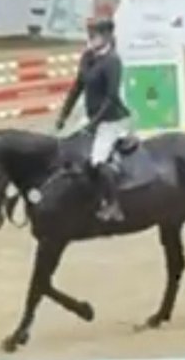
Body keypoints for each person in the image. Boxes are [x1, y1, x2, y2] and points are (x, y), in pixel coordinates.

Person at [56, 17, 133, 223]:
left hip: (112, 119)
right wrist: (63, 115)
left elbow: (111, 97)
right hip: (91, 117)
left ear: (107, 36)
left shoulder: (113, 61)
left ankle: (114, 205)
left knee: (98, 160)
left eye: (95, 34)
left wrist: (93, 125)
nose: (90, 38)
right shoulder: (87, 57)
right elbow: (77, 87)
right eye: (89, 34)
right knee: (66, 144)